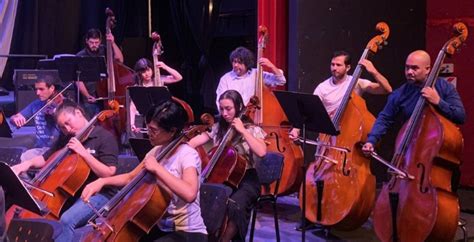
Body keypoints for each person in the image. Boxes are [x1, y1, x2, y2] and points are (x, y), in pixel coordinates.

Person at [288, 50, 392, 231]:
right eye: (332, 64)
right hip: (327, 139)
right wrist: (296, 129)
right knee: (318, 174)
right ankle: (311, 214)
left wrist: (373, 71)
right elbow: (308, 112)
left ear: (348, 67)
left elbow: (386, 89)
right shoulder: (322, 87)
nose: (334, 68)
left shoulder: (356, 82)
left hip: (349, 138)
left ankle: (344, 211)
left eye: (338, 65)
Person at [82, 100, 208, 241]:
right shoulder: (156, 151)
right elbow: (130, 178)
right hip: (159, 226)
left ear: (172, 131)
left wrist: (157, 169)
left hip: (187, 232)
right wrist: (102, 181)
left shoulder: (187, 154)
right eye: (148, 128)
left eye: (153, 130)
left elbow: (190, 193)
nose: (149, 134)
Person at [11, 100, 119, 242]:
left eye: (68, 123)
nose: (67, 129)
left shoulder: (104, 137)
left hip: (100, 194)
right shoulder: (67, 138)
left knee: (67, 220)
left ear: (79, 113)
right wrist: (25, 165)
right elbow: (45, 158)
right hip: (73, 193)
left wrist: (84, 153)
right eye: (62, 127)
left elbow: (109, 172)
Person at [188, 90, 267, 242]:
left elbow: (262, 152)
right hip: (222, 178)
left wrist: (243, 131)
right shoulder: (219, 128)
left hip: (247, 180)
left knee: (235, 205)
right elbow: (193, 143)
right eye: (221, 108)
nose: (224, 113)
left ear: (238, 107)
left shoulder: (252, 129)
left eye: (228, 109)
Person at [361, 49, 465, 154]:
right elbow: (385, 118)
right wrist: (371, 141)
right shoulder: (400, 93)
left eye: (415, 68)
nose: (409, 72)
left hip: (438, 153)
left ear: (427, 69)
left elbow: (460, 116)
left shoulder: (444, 87)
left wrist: (438, 101)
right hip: (410, 152)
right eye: (407, 67)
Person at [8, 75, 61, 161]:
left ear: (51, 88)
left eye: (41, 89)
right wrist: (15, 119)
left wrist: (55, 112)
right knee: (16, 159)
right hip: (40, 149)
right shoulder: (36, 104)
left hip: (57, 149)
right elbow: (13, 118)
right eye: (36, 89)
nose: (37, 93)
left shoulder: (62, 104)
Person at [215, 46, 286, 109]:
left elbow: (281, 81)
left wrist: (271, 66)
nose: (236, 65)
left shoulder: (256, 74)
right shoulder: (225, 79)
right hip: (233, 118)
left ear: (247, 63)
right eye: (234, 62)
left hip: (254, 116)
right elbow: (220, 101)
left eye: (239, 62)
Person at [76, 28, 124, 118]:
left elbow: (120, 60)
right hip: (90, 99)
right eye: (91, 42)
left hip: (106, 97)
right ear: (86, 41)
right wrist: (87, 95)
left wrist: (112, 43)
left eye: (96, 42)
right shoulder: (80, 56)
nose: (94, 45)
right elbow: (78, 80)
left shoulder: (105, 51)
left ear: (100, 41)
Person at [129, 58, 183, 134]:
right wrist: (132, 123)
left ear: (152, 69)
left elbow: (179, 77)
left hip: (161, 118)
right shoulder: (137, 87)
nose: (147, 74)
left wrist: (165, 67)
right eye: (143, 72)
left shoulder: (159, 79)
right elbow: (133, 107)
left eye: (148, 70)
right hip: (144, 119)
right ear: (139, 73)